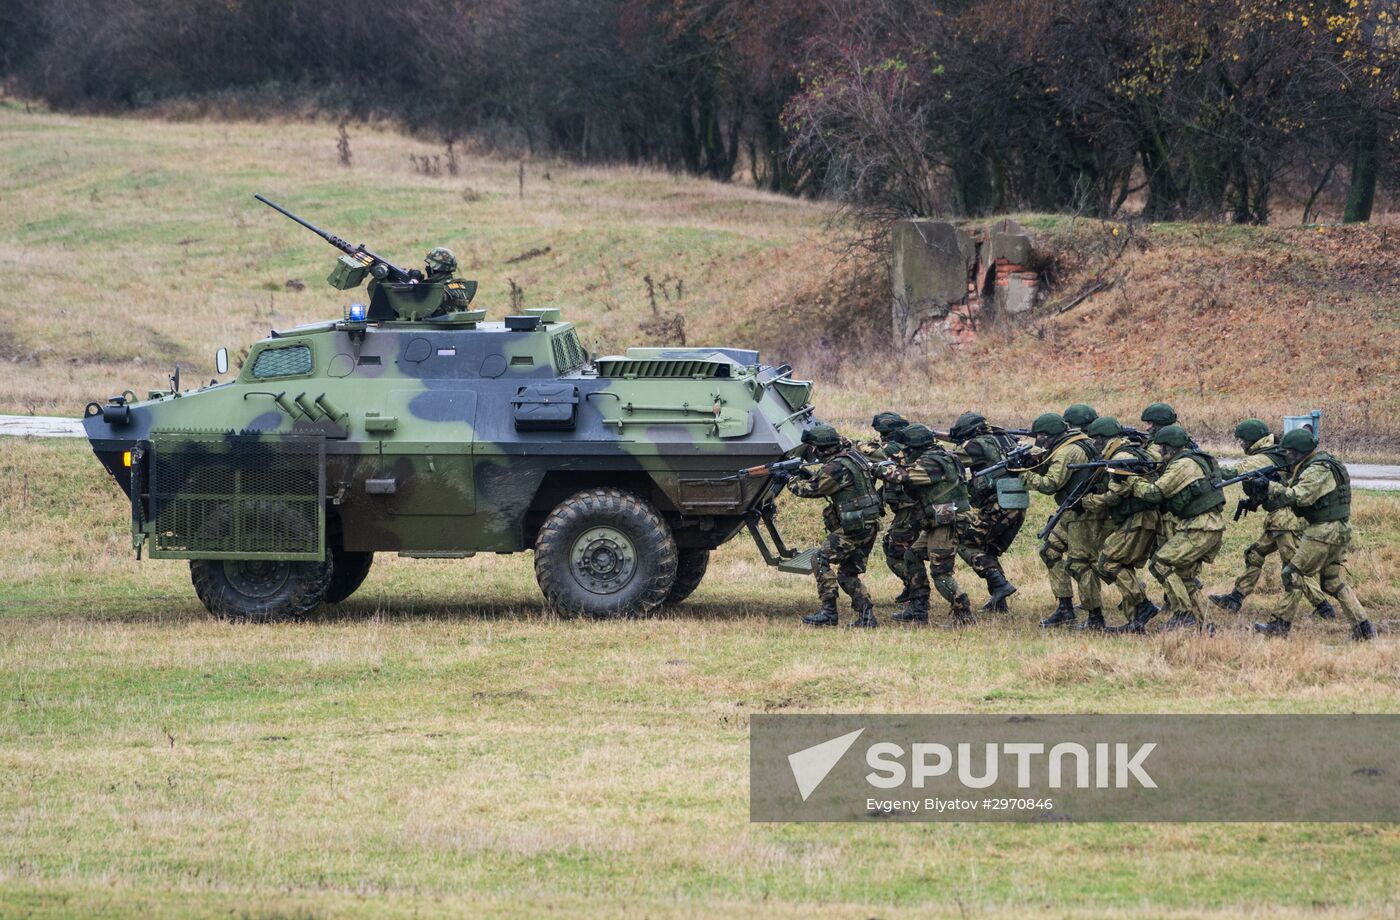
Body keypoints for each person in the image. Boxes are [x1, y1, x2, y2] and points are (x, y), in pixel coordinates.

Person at [1253, 429, 1375, 641]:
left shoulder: (1318, 469)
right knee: (1331, 583)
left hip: (1324, 531)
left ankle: (1280, 625)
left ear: (1300, 452)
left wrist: (1270, 486)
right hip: (1337, 529)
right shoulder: (1320, 463)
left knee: (1292, 573)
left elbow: (1301, 496)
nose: (1286, 456)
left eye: (1289, 452)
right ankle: (1364, 629)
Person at [1209, 419, 1334, 620]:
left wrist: (1206, 464)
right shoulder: (1275, 451)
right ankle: (1235, 598)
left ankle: (1324, 608)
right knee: (1255, 554)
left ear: (1250, 439)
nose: (1239, 444)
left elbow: (1231, 473)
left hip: (1285, 520)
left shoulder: (1262, 458)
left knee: (1294, 567)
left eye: (1241, 440)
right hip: (1279, 518)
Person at [1123, 425, 1226, 633]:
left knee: (1161, 563)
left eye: (1162, 447)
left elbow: (1155, 493)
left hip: (1200, 526)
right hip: (1205, 524)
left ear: (1170, 447)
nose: (1160, 452)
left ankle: (1183, 614)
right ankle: (1204, 626)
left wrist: (1132, 480)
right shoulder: (1196, 458)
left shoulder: (1182, 465)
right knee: (1184, 576)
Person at [873, 424, 976, 627]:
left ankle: (964, 616)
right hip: (939, 519)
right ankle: (919, 608)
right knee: (912, 555)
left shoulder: (932, 463)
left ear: (915, 446)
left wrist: (875, 467)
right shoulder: (939, 456)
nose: (905, 451)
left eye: (907, 447)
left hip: (948, 522)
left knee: (941, 572)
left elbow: (901, 476)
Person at [786, 424, 882, 628]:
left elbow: (811, 490)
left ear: (819, 448)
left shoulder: (836, 467)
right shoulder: (852, 457)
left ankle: (829, 613)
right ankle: (866, 617)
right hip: (868, 524)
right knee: (847, 574)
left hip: (855, 526)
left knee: (819, 559)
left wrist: (789, 480)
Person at [1021, 413, 1103, 628]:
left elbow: (1050, 484)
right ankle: (1065, 609)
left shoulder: (1068, 450)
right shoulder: (1078, 443)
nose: (1037, 440)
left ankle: (1096, 617)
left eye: (1039, 436)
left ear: (1048, 435)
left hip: (1083, 514)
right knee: (1050, 551)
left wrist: (1023, 474)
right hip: (1073, 511)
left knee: (1080, 564)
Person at [1082, 417, 1163, 633]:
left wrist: (1091, 502)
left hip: (1139, 517)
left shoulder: (1120, 457)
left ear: (1101, 438)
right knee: (1123, 566)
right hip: (1141, 517)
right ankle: (1135, 624)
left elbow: (1118, 493)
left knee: (1108, 562)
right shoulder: (1132, 451)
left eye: (1095, 440)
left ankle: (1142, 605)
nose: (1094, 444)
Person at [948, 411, 1023, 612]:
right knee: (988, 549)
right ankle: (999, 602)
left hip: (997, 505)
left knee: (966, 543)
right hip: (1017, 503)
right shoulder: (1006, 440)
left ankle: (1000, 585)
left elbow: (950, 462)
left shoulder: (975, 445)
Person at [860, 414, 922, 609]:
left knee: (895, 550)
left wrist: (847, 443)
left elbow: (868, 451)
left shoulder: (893, 448)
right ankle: (912, 588)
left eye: (882, 434)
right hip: (911, 507)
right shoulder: (910, 446)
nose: (880, 437)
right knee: (899, 547)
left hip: (911, 509)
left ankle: (918, 592)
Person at [424, 247, 476, 313]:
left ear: (434, 268)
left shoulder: (438, 291)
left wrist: (414, 281)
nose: (427, 268)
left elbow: (419, 311)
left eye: (429, 265)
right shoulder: (461, 286)